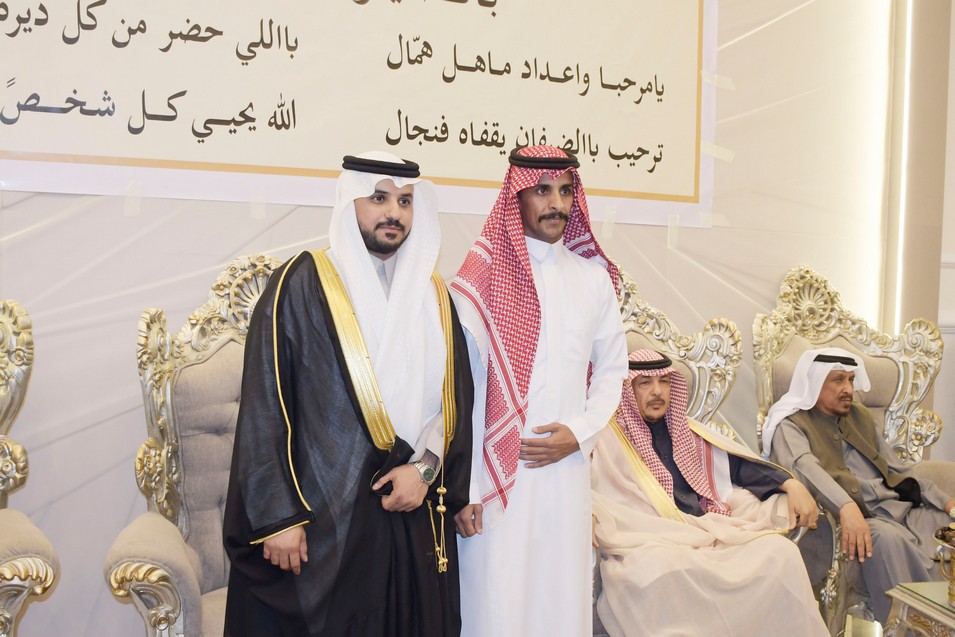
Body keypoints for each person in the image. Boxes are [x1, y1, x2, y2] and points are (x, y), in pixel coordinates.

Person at [223, 151, 473, 637]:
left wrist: (423, 473)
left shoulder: (436, 297)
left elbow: (452, 404)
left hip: (410, 508)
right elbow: (265, 401)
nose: (394, 213)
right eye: (378, 198)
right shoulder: (302, 282)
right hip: (325, 521)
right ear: (349, 202)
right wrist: (278, 518)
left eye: (405, 201)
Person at [449, 145, 628, 637]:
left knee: (559, 597)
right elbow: (462, 389)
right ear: (517, 197)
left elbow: (612, 371)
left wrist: (580, 433)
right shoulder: (479, 279)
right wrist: (466, 487)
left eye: (566, 191)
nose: (557, 203)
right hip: (494, 475)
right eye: (543, 190)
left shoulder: (593, 279)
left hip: (566, 470)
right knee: (497, 598)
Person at [591, 348, 828, 636]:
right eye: (645, 383)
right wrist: (588, 514)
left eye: (664, 381)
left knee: (781, 552)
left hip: (706, 528)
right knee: (655, 568)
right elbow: (587, 486)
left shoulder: (685, 431)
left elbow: (738, 466)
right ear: (627, 389)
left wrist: (791, 484)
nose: (657, 392)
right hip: (649, 537)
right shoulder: (606, 439)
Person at [764, 346, 955, 623]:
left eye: (851, 380)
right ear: (814, 382)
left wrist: (946, 502)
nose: (848, 389)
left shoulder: (860, 417)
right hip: (863, 519)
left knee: (946, 527)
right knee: (886, 540)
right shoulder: (791, 424)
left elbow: (897, 469)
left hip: (899, 509)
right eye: (838, 380)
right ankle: (914, 627)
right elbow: (805, 469)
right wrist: (846, 507)